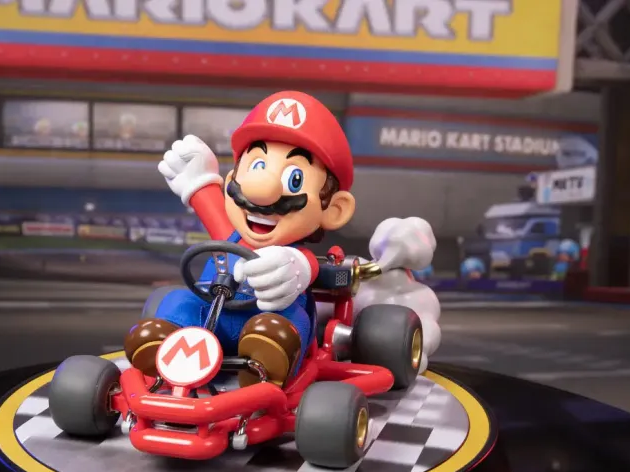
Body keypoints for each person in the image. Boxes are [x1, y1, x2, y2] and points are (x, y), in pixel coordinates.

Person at [125, 91, 436, 386]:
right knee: (177, 301)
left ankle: (266, 361)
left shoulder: (297, 260)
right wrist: (199, 180)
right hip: (209, 319)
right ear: (233, 180)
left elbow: (305, 268)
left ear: (334, 209)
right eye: (257, 165)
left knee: (285, 318)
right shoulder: (230, 237)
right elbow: (208, 201)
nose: (261, 191)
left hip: (268, 319)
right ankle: (165, 348)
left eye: (294, 179)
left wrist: (293, 269)